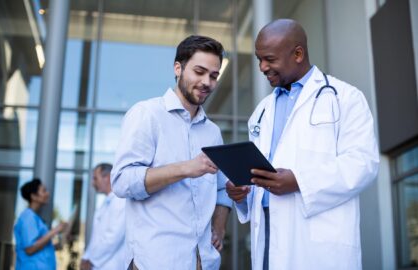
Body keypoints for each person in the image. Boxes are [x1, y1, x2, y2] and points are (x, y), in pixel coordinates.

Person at [226, 19, 379, 270]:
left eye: (270, 59)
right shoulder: (261, 111)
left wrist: (299, 181)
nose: (262, 67)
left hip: (317, 243)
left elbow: (363, 164)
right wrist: (242, 193)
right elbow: (259, 175)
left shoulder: (345, 98)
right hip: (267, 236)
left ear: (298, 54)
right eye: (259, 59)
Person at [111, 35, 232, 270]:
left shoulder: (213, 132)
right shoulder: (147, 114)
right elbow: (122, 181)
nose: (207, 81)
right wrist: (185, 168)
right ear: (178, 68)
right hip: (155, 261)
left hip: (203, 262)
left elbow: (222, 189)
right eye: (199, 71)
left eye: (214, 75)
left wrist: (219, 226)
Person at [80, 163, 126, 270]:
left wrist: (91, 260)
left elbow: (113, 237)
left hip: (111, 264)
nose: (93, 183)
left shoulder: (121, 201)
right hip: (99, 264)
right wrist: (86, 257)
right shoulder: (106, 202)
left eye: (95, 178)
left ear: (107, 177)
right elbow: (96, 237)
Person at [14, 179, 66, 270]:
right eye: (44, 191)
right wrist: (54, 231)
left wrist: (59, 244)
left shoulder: (35, 218)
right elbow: (30, 249)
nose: (47, 194)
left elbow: (42, 248)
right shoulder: (28, 217)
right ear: (34, 196)